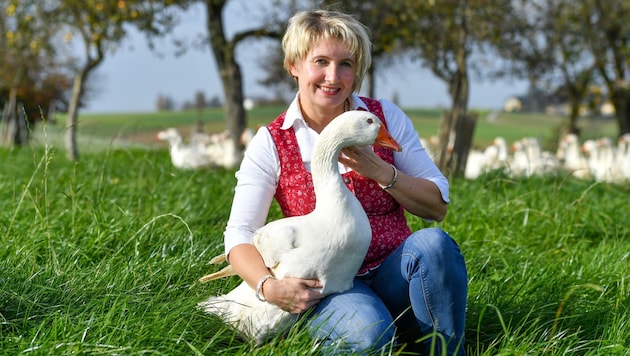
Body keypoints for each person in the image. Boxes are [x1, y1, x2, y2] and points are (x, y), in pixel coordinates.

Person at [221, 8, 467, 355]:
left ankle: (444, 349)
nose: (332, 76)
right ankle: (368, 327)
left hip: (393, 269)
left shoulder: (382, 120)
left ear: (358, 71)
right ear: (294, 66)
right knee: (369, 337)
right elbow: (240, 234)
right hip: (331, 285)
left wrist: (382, 172)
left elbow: (437, 206)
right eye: (320, 61)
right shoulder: (273, 141)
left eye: (346, 64)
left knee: (435, 246)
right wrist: (267, 286)